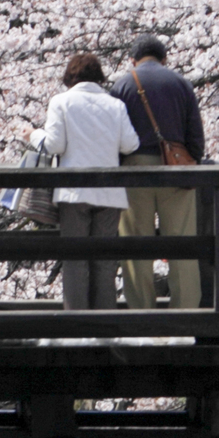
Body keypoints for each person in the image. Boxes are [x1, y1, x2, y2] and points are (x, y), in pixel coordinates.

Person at [31, 53, 140, 309]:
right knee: (104, 261)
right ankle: (104, 320)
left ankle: (77, 321)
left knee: (75, 259)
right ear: (98, 77)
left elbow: (54, 145)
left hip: (74, 192)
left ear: (70, 77)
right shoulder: (115, 105)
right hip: (109, 193)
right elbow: (131, 144)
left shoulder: (61, 101)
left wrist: (33, 135)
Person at [109, 35, 207, 310]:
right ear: (165, 59)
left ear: (133, 60)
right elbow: (195, 135)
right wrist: (191, 161)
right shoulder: (181, 84)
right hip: (175, 169)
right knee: (182, 244)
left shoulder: (122, 85)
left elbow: (113, 134)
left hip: (134, 169)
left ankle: (142, 313)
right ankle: (185, 313)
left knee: (135, 244)